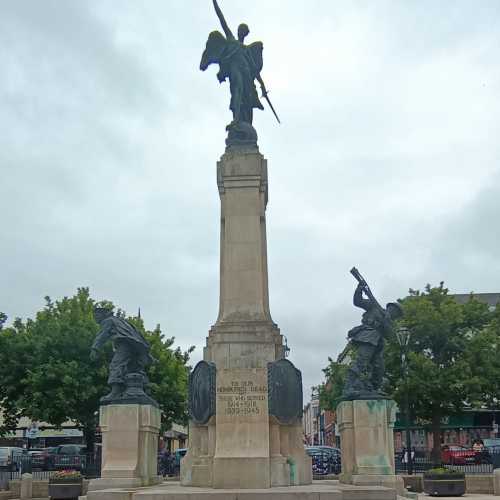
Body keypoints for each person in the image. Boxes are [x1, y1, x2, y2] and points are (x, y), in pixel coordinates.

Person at [200, 0, 267, 129]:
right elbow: (221, 18)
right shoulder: (231, 40)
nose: (241, 32)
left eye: (243, 30)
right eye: (240, 29)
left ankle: (244, 121)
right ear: (238, 31)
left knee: (247, 101)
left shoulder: (246, 49)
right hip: (235, 70)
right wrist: (215, 3)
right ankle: (236, 119)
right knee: (237, 90)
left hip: (247, 73)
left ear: (245, 33)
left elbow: (255, 70)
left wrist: (262, 85)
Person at [343, 279, 403, 399]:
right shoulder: (374, 307)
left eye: (397, 313)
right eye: (395, 311)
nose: (395, 314)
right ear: (390, 308)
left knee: (379, 367)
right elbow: (358, 301)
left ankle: (374, 388)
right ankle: (348, 387)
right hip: (367, 337)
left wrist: (385, 322)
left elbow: (391, 337)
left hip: (378, 344)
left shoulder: (389, 322)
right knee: (361, 362)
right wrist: (359, 289)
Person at [90, 307, 155, 403]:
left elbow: (102, 335)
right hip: (134, 346)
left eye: (97, 316)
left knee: (116, 365)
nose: (96, 319)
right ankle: (140, 389)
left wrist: (94, 348)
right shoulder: (121, 321)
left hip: (124, 345)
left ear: (104, 315)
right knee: (132, 368)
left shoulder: (108, 321)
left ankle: (115, 391)